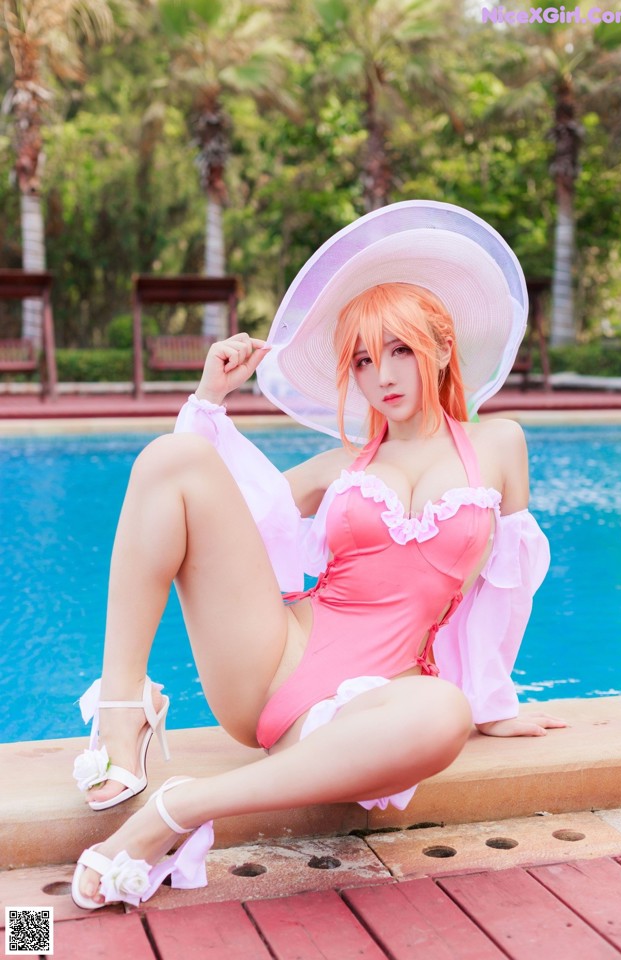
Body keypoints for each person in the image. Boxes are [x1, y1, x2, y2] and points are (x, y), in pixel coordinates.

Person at [71, 200, 565, 910]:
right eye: (363, 360)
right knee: (173, 459)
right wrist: (212, 397)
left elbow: (503, 591)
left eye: (399, 350)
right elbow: (217, 513)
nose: (382, 375)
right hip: (274, 660)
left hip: (369, 703)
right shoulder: (341, 466)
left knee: (445, 713)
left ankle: (181, 809)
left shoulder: (500, 445)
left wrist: (492, 704)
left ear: (442, 347)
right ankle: (123, 708)